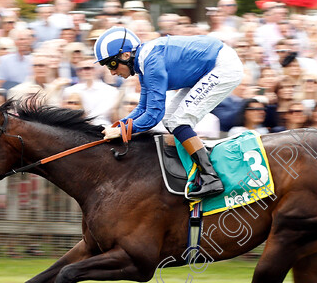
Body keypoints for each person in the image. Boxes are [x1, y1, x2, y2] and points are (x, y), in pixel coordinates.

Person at [95, 26, 244, 198]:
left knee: (180, 120)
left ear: (126, 55)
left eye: (111, 64)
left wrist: (122, 131)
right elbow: (142, 108)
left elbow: (153, 115)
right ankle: (195, 167)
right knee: (170, 119)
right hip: (209, 66)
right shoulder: (144, 63)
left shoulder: (151, 64)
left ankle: (211, 177)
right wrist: (118, 126)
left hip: (222, 66)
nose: (112, 72)